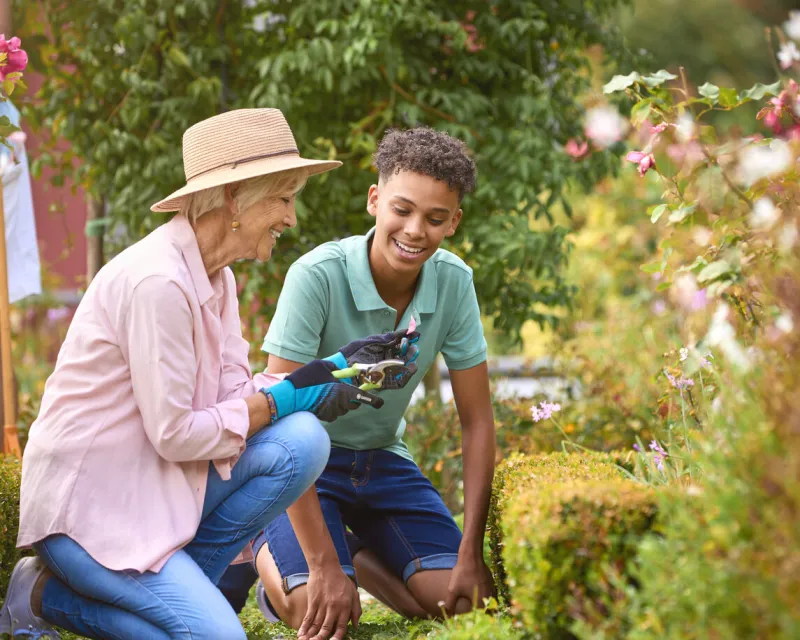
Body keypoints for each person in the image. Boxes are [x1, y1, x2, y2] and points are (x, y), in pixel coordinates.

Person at [0, 108, 418, 639]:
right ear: (233, 199)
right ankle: (42, 594)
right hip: (91, 521)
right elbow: (177, 435)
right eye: (283, 199)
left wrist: (331, 372)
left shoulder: (215, 278)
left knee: (304, 441)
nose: (291, 218)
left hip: (153, 498)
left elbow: (236, 398)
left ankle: (175, 596)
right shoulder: (158, 282)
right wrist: (291, 396)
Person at [220, 127, 497, 640]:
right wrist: (323, 565)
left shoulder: (455, 283)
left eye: (436, 219)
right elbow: (280, 417)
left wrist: (470, 553)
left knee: (465, 604)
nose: (415, 230)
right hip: (300, 465)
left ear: (454, 222)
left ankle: (360, 557)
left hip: (383, 464)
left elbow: (477, 421)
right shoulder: (317, 276)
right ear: (375, 200)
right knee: (315, 609)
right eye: (403, 209)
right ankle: (276, 557)